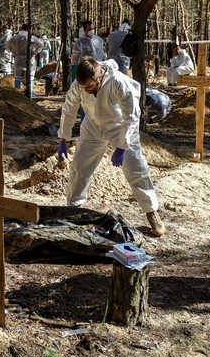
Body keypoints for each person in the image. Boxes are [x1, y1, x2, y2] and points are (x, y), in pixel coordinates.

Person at [56, 58, 165, 237]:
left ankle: (151, 211)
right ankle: (73, 210)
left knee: (136, 167)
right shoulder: (79, 85)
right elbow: (69, 109)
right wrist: (62, 138)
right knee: (79, 166)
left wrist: (122, 146)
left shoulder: (118, 82)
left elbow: (131, 117)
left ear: (100, 77)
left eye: (90, 86)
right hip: (92, 126)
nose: (86, 90)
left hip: (119, 126)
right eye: (83, 87)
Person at [4, 24, 45, 93]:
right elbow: (41, 44)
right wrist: (34, 52)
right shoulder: (31, 37)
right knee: (30, 76)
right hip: (29, 58)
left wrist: (13, 51)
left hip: (18, 58)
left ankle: (17, 93)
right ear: (29, 29)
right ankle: (30, 92)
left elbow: (7, 45)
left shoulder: (15, 37)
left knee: (17, 77)